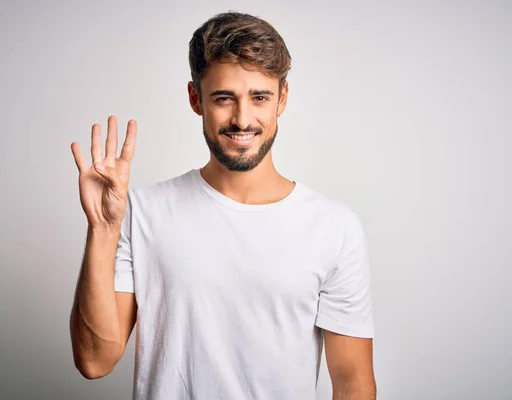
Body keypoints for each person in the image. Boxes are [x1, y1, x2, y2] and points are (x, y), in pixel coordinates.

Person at [69, 11, 376, 400]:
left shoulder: (334, 227)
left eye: (259, 97)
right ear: (196, 99)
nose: (242, 119)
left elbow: (352, 380)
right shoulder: (143, 213)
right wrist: (102, 228)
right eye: (223, 98)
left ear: (282, 98)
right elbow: (94, 361)